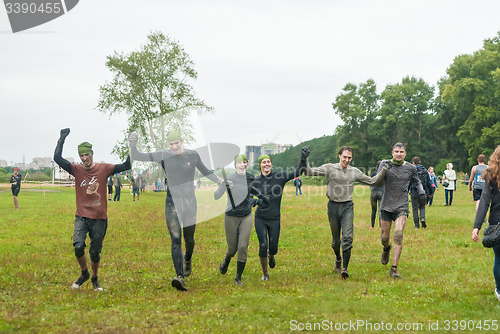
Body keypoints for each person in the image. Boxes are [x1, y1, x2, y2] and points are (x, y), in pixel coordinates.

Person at [128, 130, 223, 291]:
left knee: (189, 240)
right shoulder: (163, 155)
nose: (174, 147)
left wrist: (221, 181)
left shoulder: (192, 156)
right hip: (172, 202)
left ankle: (188, 259)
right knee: (176, 239)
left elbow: (206, 171)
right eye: (171, 144)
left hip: (189, 202)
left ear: (181, 140)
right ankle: (180, 277)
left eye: (176, 143)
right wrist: (132, 143)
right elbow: (137, 155)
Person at [54, 128, 131, 291]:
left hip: (99, 218)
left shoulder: (104, 169)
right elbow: (57, 158)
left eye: (86, 155)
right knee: (78, 247)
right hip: (81, 217)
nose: (84, 159)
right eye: (81, 156)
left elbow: (127, 165)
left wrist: (132, 144)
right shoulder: (77, 169)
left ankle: (95, 279)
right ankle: (84, 274)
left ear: (91, 154)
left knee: (95, 253)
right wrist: (62, 139)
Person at [306, 147, 390, 278]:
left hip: (347, 206)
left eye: (349, 158)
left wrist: (384, 169)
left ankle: (344, 268)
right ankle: (338, 258)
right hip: (333, 207)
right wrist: (304, 158)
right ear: (339, 156)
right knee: (336, 242)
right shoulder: (329, 168)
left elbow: (373, 181)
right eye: (344, 157)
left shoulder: (354, 171)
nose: (346, 160)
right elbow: (309, 172)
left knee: (347, 238)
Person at [252, 146, 310, 281]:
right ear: (260, 165)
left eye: (268, 161)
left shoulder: (279, 177)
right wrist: (254, 202)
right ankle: (265, 273)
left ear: (271, 164)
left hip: (274, 219)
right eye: (263, 162)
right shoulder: (255, 181)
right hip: (260, 217)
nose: (266, 164)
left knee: (274, 248)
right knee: (262, 245)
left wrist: (303, 159)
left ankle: (271, 255)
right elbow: (247, 196)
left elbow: (298, 171)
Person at [215, 154, 269, 286]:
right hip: (231, 215)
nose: (242, 165)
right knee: (232, 249)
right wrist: (223, 186)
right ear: (236, 165)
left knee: (243, 246)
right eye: (239, 162)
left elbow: (251, 190)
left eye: (245, 162)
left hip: (246, 215)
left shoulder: (250, 177)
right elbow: (216, 196)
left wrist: (261, 197)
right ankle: (226, 260)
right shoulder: (230, 178)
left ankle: (238, 278)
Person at [377, 143, 425, 278]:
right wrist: (383, 171)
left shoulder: (410, 168)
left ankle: (394, 268)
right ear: (392, 152)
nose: (399, 154)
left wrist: (421, 192)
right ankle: (386, 248)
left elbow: (417, 182)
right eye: (396, 151)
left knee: (398, 235)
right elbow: (377, 181)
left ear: (405, 154)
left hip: (401, 205)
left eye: (402, 152)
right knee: (384, 238)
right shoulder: (385, 164)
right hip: (386, 205)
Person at [471, 145, 500, 303]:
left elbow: (484, 202)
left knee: (499, 258)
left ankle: (499, 290)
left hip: (496, 222)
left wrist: (477, 226)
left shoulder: (490, 175)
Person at [409, 157, 433, 229]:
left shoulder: (411, 170)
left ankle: (416, 225)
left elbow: (408, 182)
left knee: (415, 208)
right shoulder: (425, 170)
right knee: (422, 207)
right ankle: (422, 218)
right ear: (420, 162)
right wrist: (431, 192)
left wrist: (406, 191)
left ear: (413, 163)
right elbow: (429, 182)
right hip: (423, 191)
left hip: (414, 191)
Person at [369, 161, 383, 230]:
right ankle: (381, 226)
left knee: (373, 210)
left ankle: (372, 226)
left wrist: (372, 189)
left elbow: (369, 182)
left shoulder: (373, 173)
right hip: (381, 192)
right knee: (380, 210)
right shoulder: (383, 173)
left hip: (373, 192)